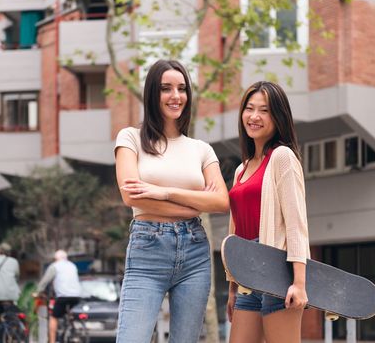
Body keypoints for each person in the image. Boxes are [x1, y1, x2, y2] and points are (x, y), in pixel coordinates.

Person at [115, 59, 229, 343]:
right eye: (166, 89)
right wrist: (196, 204)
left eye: (182, 88)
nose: (175, 96)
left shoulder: (200, 149)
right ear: (152, 94)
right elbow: (131, 196)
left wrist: (164, 193)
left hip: (194, 252)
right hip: (147, 249)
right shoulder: (130, 138)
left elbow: (221, 202)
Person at [225, 81, 311, 343]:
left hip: (276, 267)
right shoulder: (241, 169)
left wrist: (299, 282)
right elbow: (236, 231)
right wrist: (231, 287)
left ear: (278, 117)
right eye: (249, 109)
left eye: (264, 110)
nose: (254, 116)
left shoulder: (282, 157)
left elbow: (296, 223)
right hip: (246, 273)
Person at [36, 250, 82, 343]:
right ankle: (70, 325)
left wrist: (38, 292)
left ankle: (52, 341)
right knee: (67, 312)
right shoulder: (73, 265)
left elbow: (45, 281)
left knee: (54, 317)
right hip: (77, 296)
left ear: (56, 258)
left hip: (63, 296)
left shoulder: (55, 266)